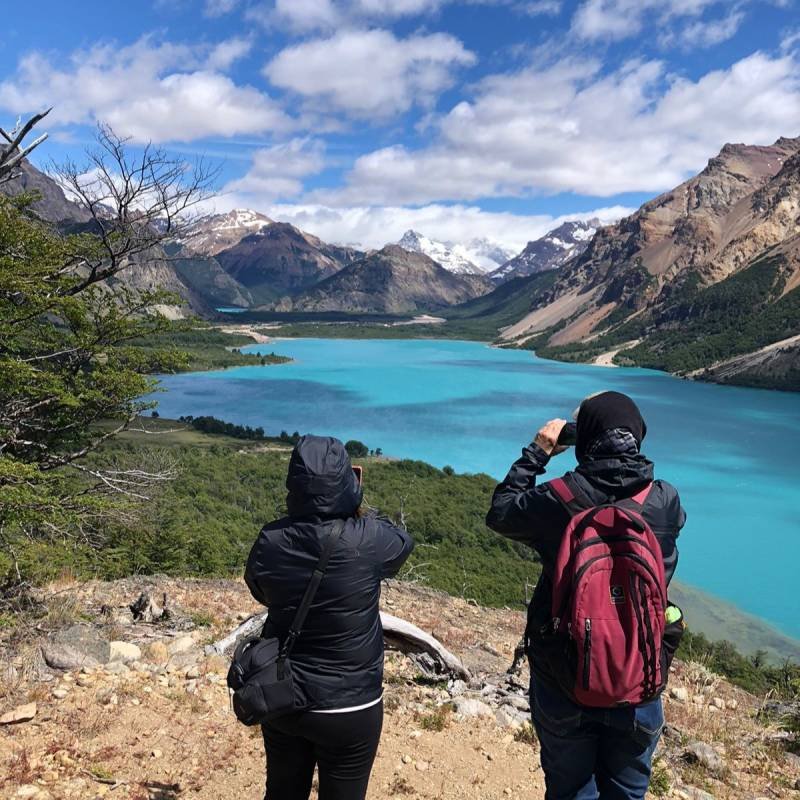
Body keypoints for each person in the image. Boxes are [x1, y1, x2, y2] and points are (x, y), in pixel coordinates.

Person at [486, 391, 686, 800]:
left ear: (583, 440)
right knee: (628, 792)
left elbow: (501, 511)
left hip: (563, 676)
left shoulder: (560, 499)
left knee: (571, 790)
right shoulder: (663, 501)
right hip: (640, 678)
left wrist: (540, 450)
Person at [245, 434, 413, 800]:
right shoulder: (367, 538)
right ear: (347, 484)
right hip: (350, 704)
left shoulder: (271, 540)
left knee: (282, 793)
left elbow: (260, 590)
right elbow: (403, 543)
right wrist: (359, 505)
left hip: (282, 694)